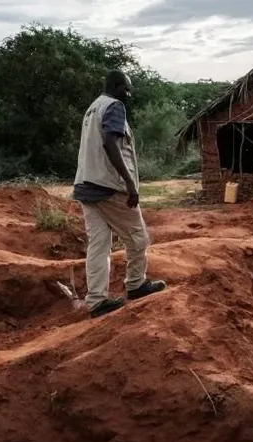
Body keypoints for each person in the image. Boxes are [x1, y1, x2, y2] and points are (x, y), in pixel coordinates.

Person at [73, 70, 166, 318]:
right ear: (116, 86)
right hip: (108, 187)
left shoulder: (93, 108)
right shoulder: (114, 107)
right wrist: (130, 184)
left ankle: (96, 302)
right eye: (126, 88)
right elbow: (110, 144)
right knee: (138, 238)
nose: (129, 93)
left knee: (98, 246)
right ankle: (136, 284)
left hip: (85, 184)